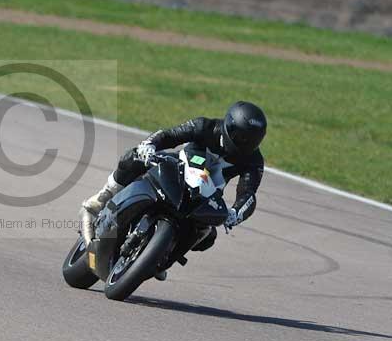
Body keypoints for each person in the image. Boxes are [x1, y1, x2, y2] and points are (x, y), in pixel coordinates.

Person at [81, 101, 267, 275]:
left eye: (251, 141)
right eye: (240, 137)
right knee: (134, 157)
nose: (244, 143)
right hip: (177, 168)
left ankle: (163, 254)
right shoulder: (204, 126)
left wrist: (235, 213)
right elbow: (170, 135)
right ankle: (103, 196)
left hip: (206, 191)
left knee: (208, 236)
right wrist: (149, 145)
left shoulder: (254, 161)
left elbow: (248, 193)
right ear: (228, 126)